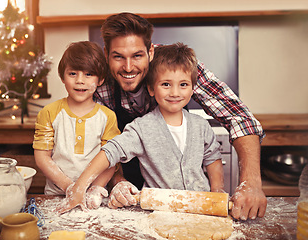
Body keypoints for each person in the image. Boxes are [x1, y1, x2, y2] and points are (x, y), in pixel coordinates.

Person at [93, 12, 267, 221]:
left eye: (137, 56)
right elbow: (100, 146)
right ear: (106, 54)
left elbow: (240, 117)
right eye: (118, 56)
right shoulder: (95, 79)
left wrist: (252, 183)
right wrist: (117, 182)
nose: (128, 67)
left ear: (150, 51)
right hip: (131, 194)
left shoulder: (176, 65)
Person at [57, 43, 225, 214]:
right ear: (151, 89)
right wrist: (80, 186)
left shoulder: (201, 126)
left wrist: (217, 191)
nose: (175, 92)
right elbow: (110, 152)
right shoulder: (141, 128)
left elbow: (212, 157)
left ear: (192, 89)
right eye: (166, 84)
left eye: (183, 85)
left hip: (202, 209)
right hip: (160, 212)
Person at [33, 41, 120, 209]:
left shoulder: (107, 117)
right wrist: (70, 188)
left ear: (100, 79)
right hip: (56, 196)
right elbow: (42, 158)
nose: (80, 81)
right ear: (62, 77)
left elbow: (111, 161)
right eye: (73, 73)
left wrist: (95, 189)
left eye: (88, 74)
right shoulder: (49, 112)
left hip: (92, 199)